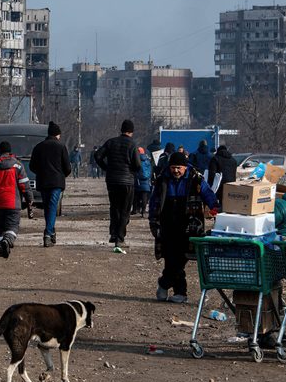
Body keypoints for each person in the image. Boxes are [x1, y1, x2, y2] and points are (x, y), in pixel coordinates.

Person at [148, 151, 218, 303]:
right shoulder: (162, 179)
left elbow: (207, 193)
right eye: (173, 167)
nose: (176, 171)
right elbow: (154, 200)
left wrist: (215, 207)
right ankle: (180, 293)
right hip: (167, 223)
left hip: (190, 224)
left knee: (181, 257)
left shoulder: (195, 178)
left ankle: (164, 283)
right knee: (170, 257)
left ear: (185, 167)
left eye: (179, 168)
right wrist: (153, 220)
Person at [93, 119, 142, 253]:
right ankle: (120, 238)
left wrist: (106, 168)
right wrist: (132, 171)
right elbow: (138, 164)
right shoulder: (133, 145)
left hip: (112, 180)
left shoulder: (111, 142)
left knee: (114, 207)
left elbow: (97, 155)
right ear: (132, 131)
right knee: (125, 210)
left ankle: (113, 234)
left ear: (121, 130)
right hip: (127, 182)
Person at [30, 121, 72, 247]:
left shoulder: (38, 147)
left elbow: (32, 166)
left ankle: (51, 231)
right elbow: (68, 167)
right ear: (57, 134)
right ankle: (48, 234)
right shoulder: (61, 146)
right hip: (56, 182)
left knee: (48, 207)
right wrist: (61, 175)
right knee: (52, 206)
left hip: (43, 182)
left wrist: (41, 172)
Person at [0, 140, 30, 258]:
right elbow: (24, 186)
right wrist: (29, 199)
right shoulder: (18, 166)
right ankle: (7, 241)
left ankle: (0, 244)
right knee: (12, 226)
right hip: (13, 203)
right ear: (10, 152)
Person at [134, 146, 153, 217]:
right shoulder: (147, 160)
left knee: (137, 196)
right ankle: (144, 210)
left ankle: (136, 209)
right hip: (146, 181)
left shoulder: (136, 160)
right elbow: (150, 170)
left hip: (138, 180)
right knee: (144, 196)